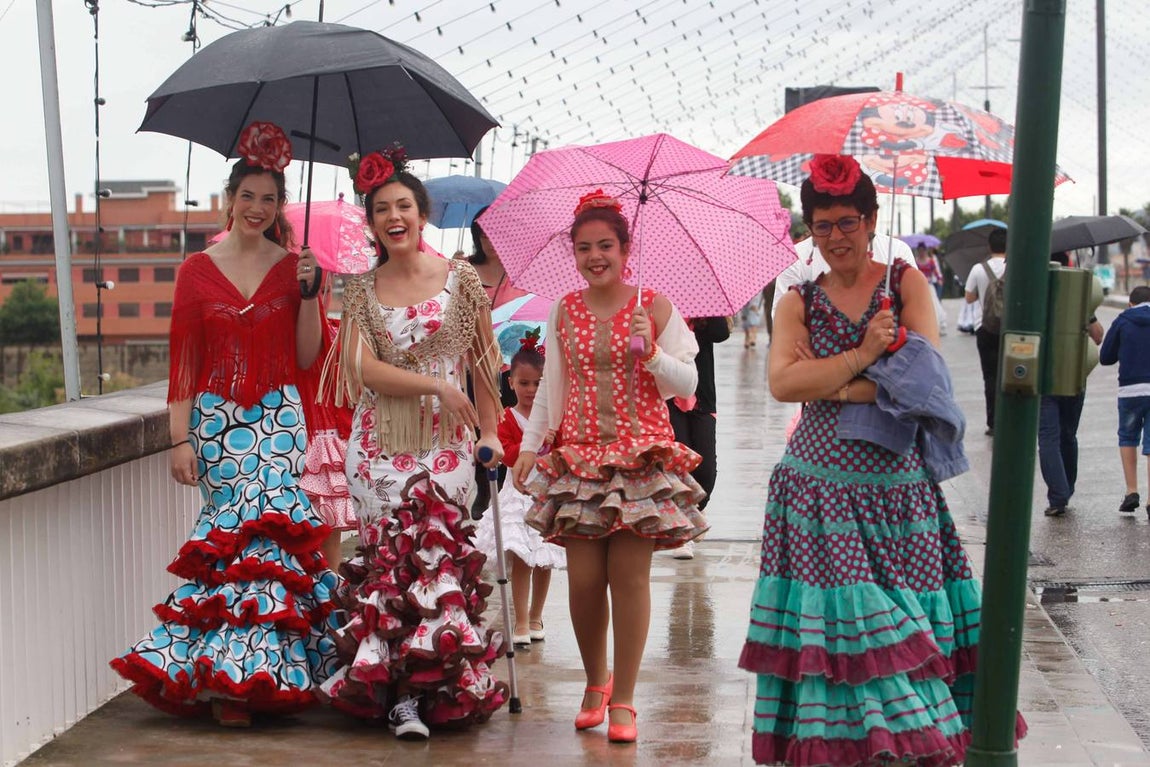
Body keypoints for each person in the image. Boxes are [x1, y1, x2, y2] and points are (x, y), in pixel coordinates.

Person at [741, 154, 1013, 766]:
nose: (835, 237)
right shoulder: (797, 299)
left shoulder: (905, 284)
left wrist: (830, 379)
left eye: (846, 222)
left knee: (903, 628)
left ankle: (901, 746)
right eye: (822, 225)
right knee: (840, 631)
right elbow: (783, 384)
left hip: (898, 493)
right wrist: (868, 355)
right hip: (813, 493)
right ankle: (858, 750)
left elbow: (926, 387)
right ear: (809, 230)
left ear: (870, 220)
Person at [110, 121, 338, 727]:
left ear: (280, 206)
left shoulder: (297, 269)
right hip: (217, 424)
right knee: (233, 545)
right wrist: (179, 438)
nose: (258, 208)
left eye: (269, 198)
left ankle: (256, 678)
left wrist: (312, 294)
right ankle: (232, 680)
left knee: (270, 545)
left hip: (281, 419)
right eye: (248, 196)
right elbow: (184, 362)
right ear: (229, 199)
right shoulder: (195, 270)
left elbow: (310, 356)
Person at [319, 145, 508, 739]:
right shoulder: (359, 289)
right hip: (377, 446)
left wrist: (489, 431)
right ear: (371, 222)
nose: (393, 216)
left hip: (450, 446)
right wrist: (432, 383)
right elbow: (363, 371)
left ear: (422, 215)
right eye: (381, 209)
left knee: (435, 560)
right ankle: (399, 696)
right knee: (385, 567)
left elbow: (481, 365)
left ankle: (443, 682)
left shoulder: (463, 281)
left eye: (404, 205)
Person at [513, 190, 708, 744]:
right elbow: (553, 388)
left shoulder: (657, 307)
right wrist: (532, 443)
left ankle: (624, 696)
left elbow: (688, 385)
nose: (595, 256)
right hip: (578, 458)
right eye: (584, 248)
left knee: (629, 579)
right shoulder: (563, 309)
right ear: (573, 254)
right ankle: (594, 681)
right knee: (583, 581)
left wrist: (651, 351)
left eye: (605, 246)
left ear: (626, 249)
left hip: (639, 458)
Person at [473, 329, 566, 643]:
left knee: (543, 558)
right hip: (518, 495)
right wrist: (531, 448)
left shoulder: (554, 418)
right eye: (524, 383)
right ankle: (521, 620)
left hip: (547, 494)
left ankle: (538, 616)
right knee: (521, 558)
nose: (530, 390)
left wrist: (552, 442)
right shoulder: (506, 418)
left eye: (538, 383)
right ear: (510, 382)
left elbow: (563, 454)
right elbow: (507, 452)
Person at [468, 206, 525, 516]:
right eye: (483, 234)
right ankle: (482, 489)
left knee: (508, 426)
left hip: (511, 366)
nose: (490, 241)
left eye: (496, 234)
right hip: (471, 363)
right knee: (480, 428)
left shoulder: (521, 273)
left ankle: (505, 491)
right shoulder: (464, 270)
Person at [1038, 252, 1104, 518]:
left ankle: (1058, 495)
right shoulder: (1077, 295)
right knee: (1068, 435)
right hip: (1076, 374)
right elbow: (1098, 337)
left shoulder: (1034, 292)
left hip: (1044, 376)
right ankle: (1068, 487)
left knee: (1048, 438)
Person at [667, 315, 730, 560]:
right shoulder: (664, 311)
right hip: (670, 397)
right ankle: (683, 532)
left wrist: (704, 314)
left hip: (702, 398)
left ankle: (696, 510)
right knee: (680, 463)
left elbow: (720, 333)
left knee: (706, 470)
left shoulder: (705, 313)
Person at [1100, 285, 1150, 516]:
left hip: (1130, 390)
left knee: (1128, 437)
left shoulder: (1123, 320)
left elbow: (1106, 357)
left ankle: (1132, 491)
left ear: (1131, 303)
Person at [964, 226, 1007, 436]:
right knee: (1010, 375)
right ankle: (1012, 418)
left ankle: (993, 421)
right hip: (1010, 329)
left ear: (989, 246)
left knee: (990, 376)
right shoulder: (1015, 266)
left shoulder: (978, 269)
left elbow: (969, 298)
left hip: (985, 328)